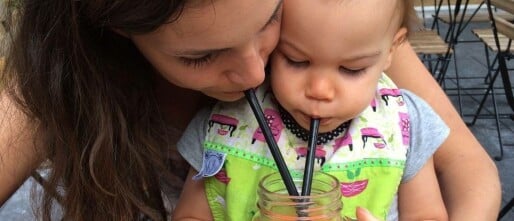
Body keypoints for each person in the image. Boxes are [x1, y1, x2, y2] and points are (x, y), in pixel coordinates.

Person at [0, 0, 500, 220]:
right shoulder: (67, 70)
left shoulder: (347, 36)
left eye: (270, 20)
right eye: (200, 56)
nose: (256, 77)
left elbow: (471, 171)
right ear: (120, 35)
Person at [173, 0, 448, 220]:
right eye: (296, 60)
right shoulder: (225, 123)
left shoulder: (403, 125)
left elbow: (428, 214)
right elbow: (189, 214)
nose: (320, 89)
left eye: (351, 69)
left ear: (391, 49)